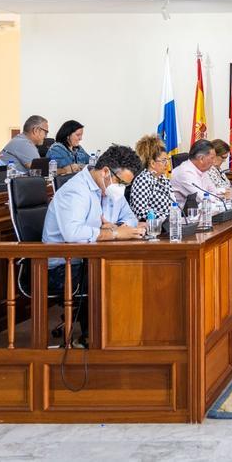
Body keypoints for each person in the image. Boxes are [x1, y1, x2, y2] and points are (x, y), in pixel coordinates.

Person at [43, 144, 146, 345]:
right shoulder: (76, 191)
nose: (121, 189)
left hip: (91, 260)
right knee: (111, 276)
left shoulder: (110, 190)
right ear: (106, 171)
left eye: (126, 185)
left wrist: (118, 227)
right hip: (63, 266)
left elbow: (131, 218)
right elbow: (73, 234)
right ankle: (95, 340)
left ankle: (123, 336)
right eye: (120, 182)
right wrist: (113, 233)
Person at [128, 135, 173, 221]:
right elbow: (140, 212)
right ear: (152, 163)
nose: (167, 164)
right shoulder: (143, 180)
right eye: (163, 161)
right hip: (151, 229)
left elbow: (173, 206)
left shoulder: (164, 179)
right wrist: (165, 218)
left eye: (167, 160)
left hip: (168, 227)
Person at [171, 139, 222, 204]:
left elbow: (214, 191)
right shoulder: (185, 173)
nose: (214, 161)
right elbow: (202, 198)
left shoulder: (202, 170)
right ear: (201, 159)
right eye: (212, 158)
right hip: (183, 213)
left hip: (203, 211)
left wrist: (214, 196)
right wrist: (215, 197)